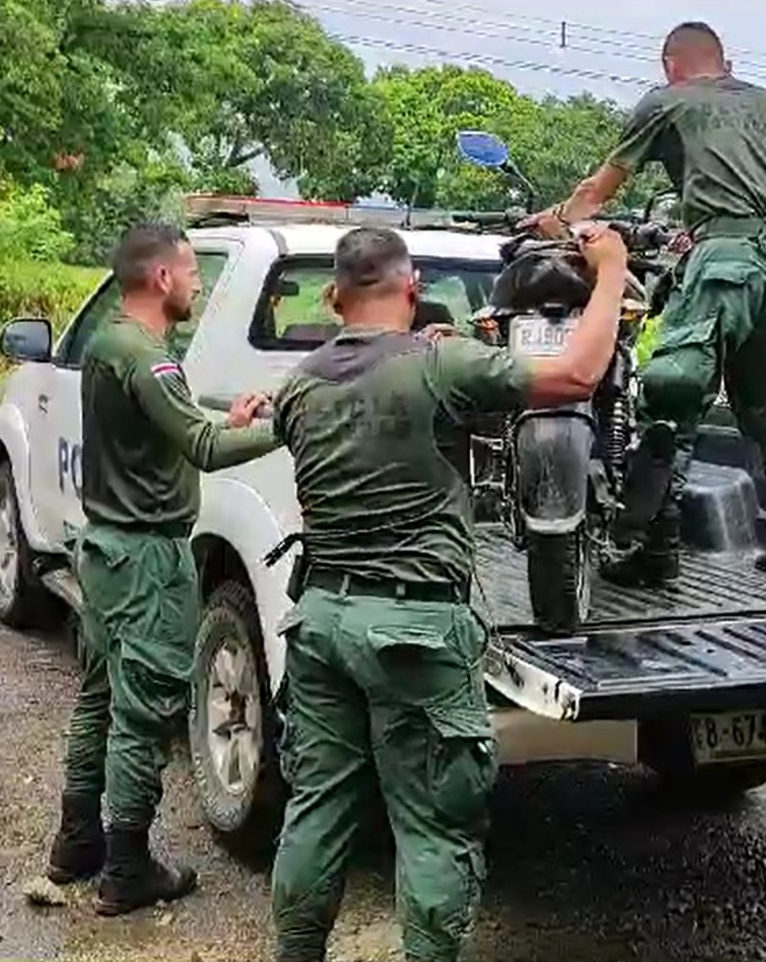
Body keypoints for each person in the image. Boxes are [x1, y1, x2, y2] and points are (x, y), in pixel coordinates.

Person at [267, 224, 631, 962]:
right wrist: (613, 269)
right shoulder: (436, 363)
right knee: (431, 827)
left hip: (322, 617)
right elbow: (579, 374)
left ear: (334, 297)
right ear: (410, 289)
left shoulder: (298, 384)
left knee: (316, 810)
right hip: (414, 630)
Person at [523, 20, 766, 587]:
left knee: (672, 395)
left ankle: (657, 550)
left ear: (670, 65)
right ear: (723, 60)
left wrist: (554, 219)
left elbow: (598, 191)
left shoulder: (667, 102)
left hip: (722, 268)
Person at [43, 222, 279, 917]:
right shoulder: (150, 359)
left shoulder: (111, 343)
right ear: (162, 278)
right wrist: (287, 426)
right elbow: (202, 445)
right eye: (191, 272)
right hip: (145, 560)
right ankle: (126, 866)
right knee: (144, 712)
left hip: (107, 549)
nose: (199, 283)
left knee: (100, 697)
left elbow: (169, 432)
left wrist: (230, 417)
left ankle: (76, 841)